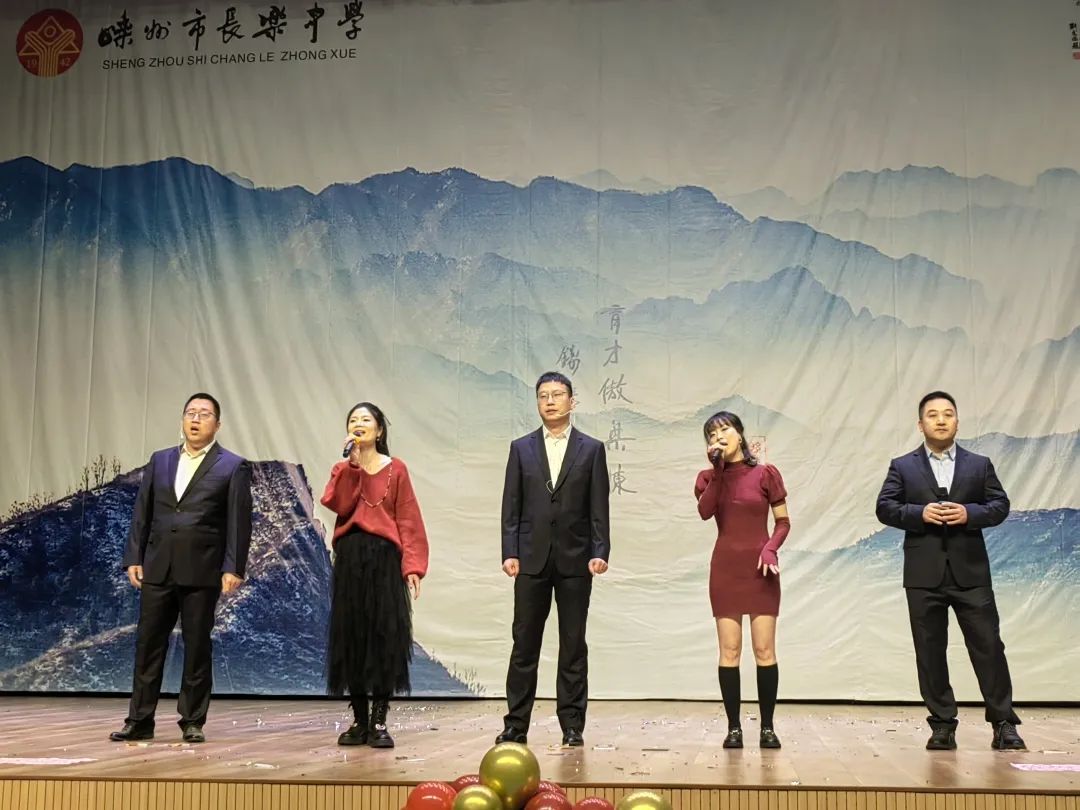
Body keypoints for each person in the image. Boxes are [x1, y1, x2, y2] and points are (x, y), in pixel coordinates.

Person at [876, 391, 1025, 751]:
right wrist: (920, 513)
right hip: (923, 574)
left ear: (957, 422)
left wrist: (969, 513)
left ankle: (1003, 722)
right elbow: (884, 507)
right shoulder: (903, 466)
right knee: (930, 652)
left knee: (989, 647)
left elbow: (1000, 505)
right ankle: (942, 724)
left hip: (971, 572)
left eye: (948, 414)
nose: (941, 420)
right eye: (932, 414)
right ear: (920, 424)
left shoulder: (979, 464)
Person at [111, 393, 252, 744]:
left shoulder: (232, 466)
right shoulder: (161, 460)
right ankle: (139, 719)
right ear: (182, 419)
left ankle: (192, 720)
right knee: (148, 644)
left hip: (202, 568)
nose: (196, 419)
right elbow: (143, 511)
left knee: (197, 645)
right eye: (191, 413)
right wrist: (134, 556)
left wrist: (233, 567)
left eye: (204, 414)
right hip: (158, 565)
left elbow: (238, 522)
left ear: (217, 424)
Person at [496, 371, 610, 747]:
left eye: (557, 394)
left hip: (576, 560)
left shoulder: (591, 449)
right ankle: (516, 725)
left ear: (571, 402)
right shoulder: (521, 448)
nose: (550, 401)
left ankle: (572, 725)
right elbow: (511, 505)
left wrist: (600, 551)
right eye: (543, 395)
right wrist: (510, 551)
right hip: (531, 559)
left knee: (573, 644)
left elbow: (599, 507)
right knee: (524, 644)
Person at [321, 402, 428, 749]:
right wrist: (352, 465)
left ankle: (380, 720)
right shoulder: (343, 468)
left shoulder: (397, 469)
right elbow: (338, 504)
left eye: (366, 420)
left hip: (384, 560)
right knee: (351, 638)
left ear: (379, 430)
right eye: (353, 420)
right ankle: (359, 720)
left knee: (384, 638)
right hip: (351, 559)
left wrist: (413, 566)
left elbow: (408, 519)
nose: (359, 424)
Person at [693, 411, 789, 750]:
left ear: (740, 434)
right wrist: (718, 471)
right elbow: (705, 512)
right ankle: (733, 728)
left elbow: (783, 522)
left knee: (764, 649)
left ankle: (767, 728)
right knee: (730, 650)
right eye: (712, 434)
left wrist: (770, 548)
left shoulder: (765, 473)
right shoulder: (707, 478)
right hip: (725, 569)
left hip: (761, 569)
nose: (719, 437)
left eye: (725, 429)